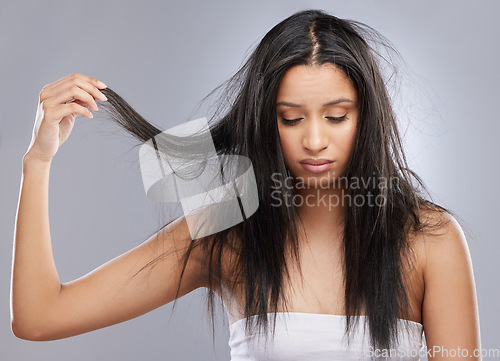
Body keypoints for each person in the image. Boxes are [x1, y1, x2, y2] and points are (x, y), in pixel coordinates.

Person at [11, 9, 481, 360]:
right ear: (264, 122)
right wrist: (38, 161)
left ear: (367, 118)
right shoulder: (228, 231)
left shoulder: (428, 239)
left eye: (336, 116)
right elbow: (39, 317)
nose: (315, 140)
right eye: (291, 118)